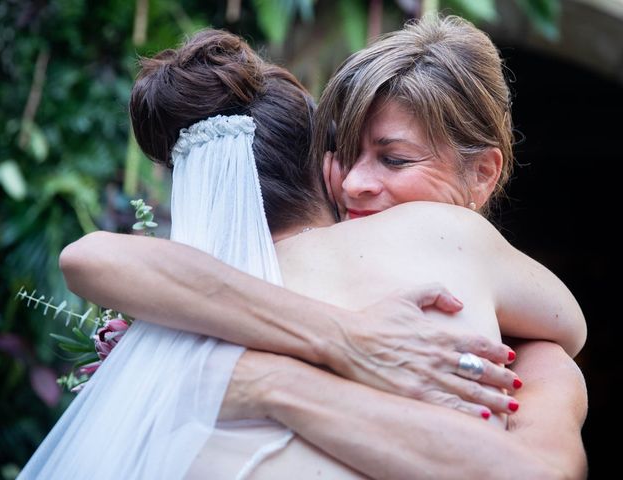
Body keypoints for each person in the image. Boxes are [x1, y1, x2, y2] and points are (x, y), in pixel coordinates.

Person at [60, 16, 588, 479]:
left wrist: (259, 383)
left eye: (394, 160)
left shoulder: (531, 345)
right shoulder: (237, 287)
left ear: (482, 174)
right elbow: (91, 259)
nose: (356, 182)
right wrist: (345, 338)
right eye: (342, 154)